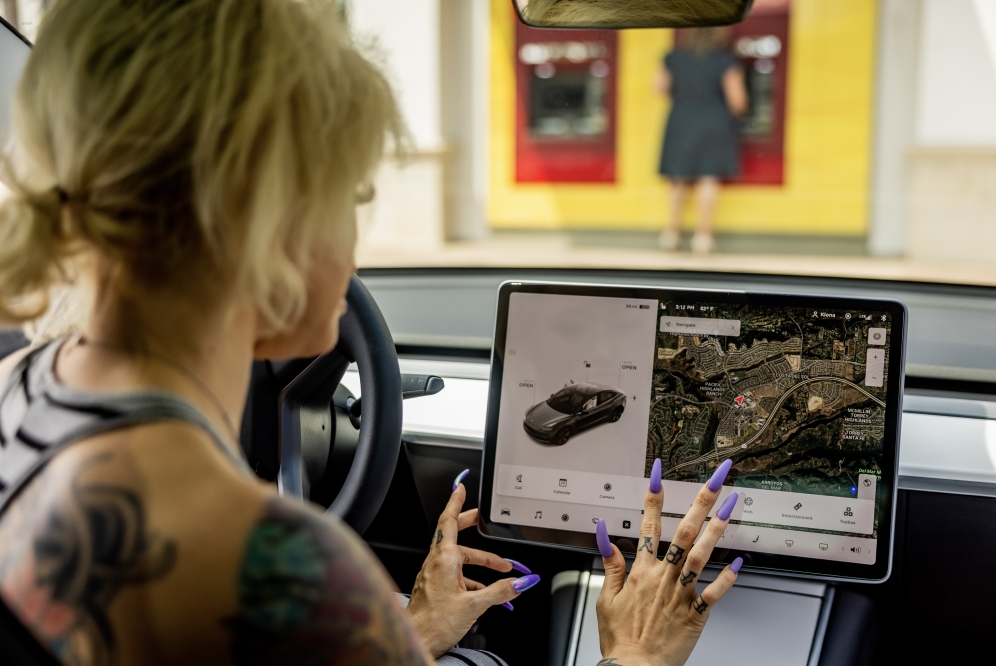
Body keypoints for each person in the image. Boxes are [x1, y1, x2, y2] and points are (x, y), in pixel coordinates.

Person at [0, 1, 739, 664]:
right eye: (352, 193)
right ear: (271, 221)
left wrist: (405, 636)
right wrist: (637, 653)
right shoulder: (277, 568)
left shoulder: (15, 387)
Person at [656, 27, 747, 254]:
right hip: (713, 121)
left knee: (678, 179)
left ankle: (672, 234)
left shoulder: (673, 57)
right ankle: (703, 238)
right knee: (708, 178)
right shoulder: (724, 60)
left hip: (681, 120)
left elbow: (659, 88)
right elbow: (737, 101)